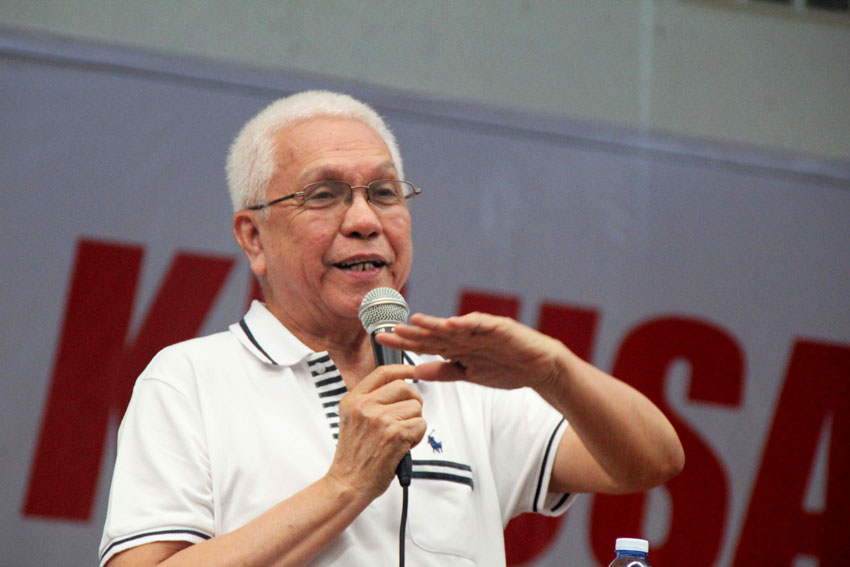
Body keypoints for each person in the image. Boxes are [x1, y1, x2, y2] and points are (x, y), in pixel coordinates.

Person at [99, 90, 684, 567]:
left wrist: (556, 369)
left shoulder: (463, 379)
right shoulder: (191, 380)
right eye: (323, 195)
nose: (364, 220)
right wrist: (347, 484)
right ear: (253, 237)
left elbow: (650, 463)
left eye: (383, 193)